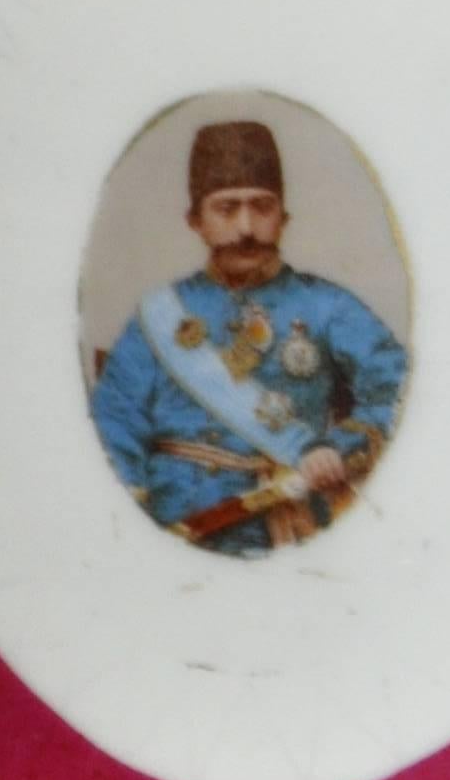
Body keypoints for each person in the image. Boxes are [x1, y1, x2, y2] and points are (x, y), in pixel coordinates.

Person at [91, 119, 408, 554]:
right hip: (175, 530)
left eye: (262, 207)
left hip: (283, 529)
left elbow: (399, 389)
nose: (246, 228)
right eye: (226, 208)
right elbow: (114, 430)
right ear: (195, 221)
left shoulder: (327, 307)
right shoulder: (157, 317)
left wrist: (337, 448)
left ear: (283, 218)